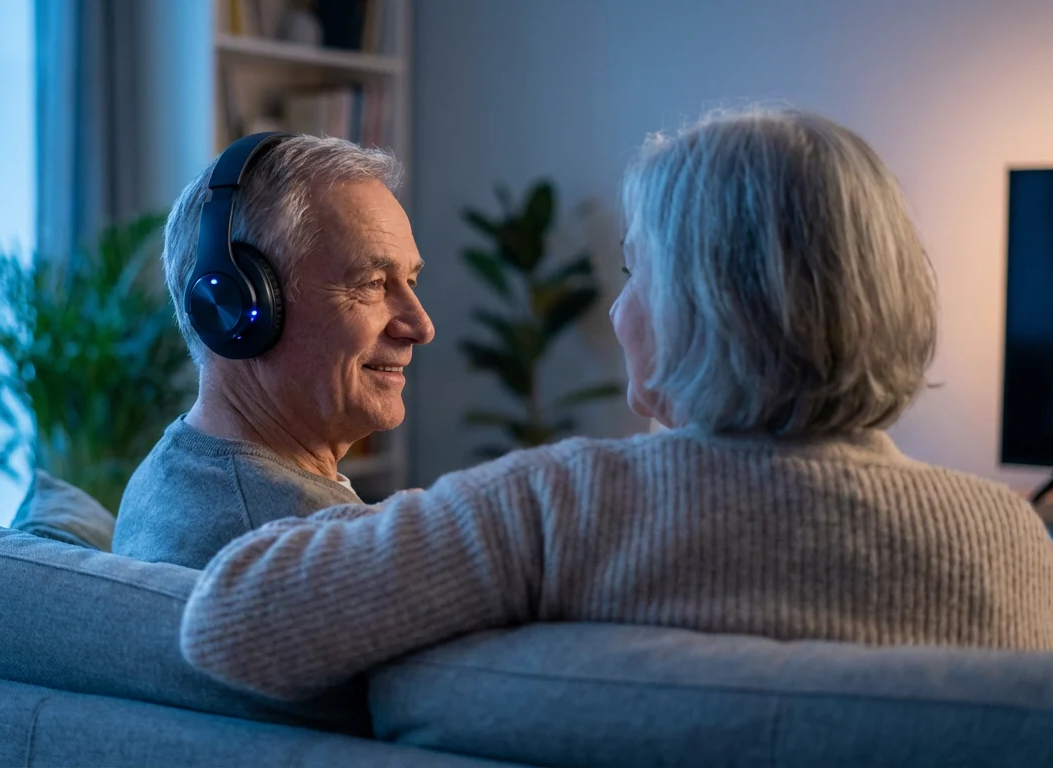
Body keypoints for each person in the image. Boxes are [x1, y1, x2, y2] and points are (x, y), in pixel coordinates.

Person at [178, 108, 1053, 701]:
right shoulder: (1012, 542)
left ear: (701, 306)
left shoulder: (566, 508)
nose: (616, 309)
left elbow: (228, 624)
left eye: (635, 275)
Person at [109, 134, 434, 568]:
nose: (420, 327)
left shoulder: (173, 465)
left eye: (410, 282)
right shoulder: (310, 557)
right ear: (242, 308)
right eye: (372, 284)